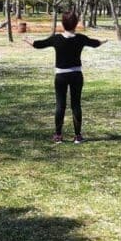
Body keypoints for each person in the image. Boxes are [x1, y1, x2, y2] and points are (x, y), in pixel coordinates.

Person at [24, 11, 105, 144]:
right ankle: (78, 136)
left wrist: (27, 40)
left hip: (61, 75)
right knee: (76, 104)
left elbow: (38, 44)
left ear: (63, 23)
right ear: (76, 23)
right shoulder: (80, 38)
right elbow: (95, 43)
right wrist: (103, 41)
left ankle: (58, 136)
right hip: (76, 75)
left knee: (60, 105)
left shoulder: (56, 39)